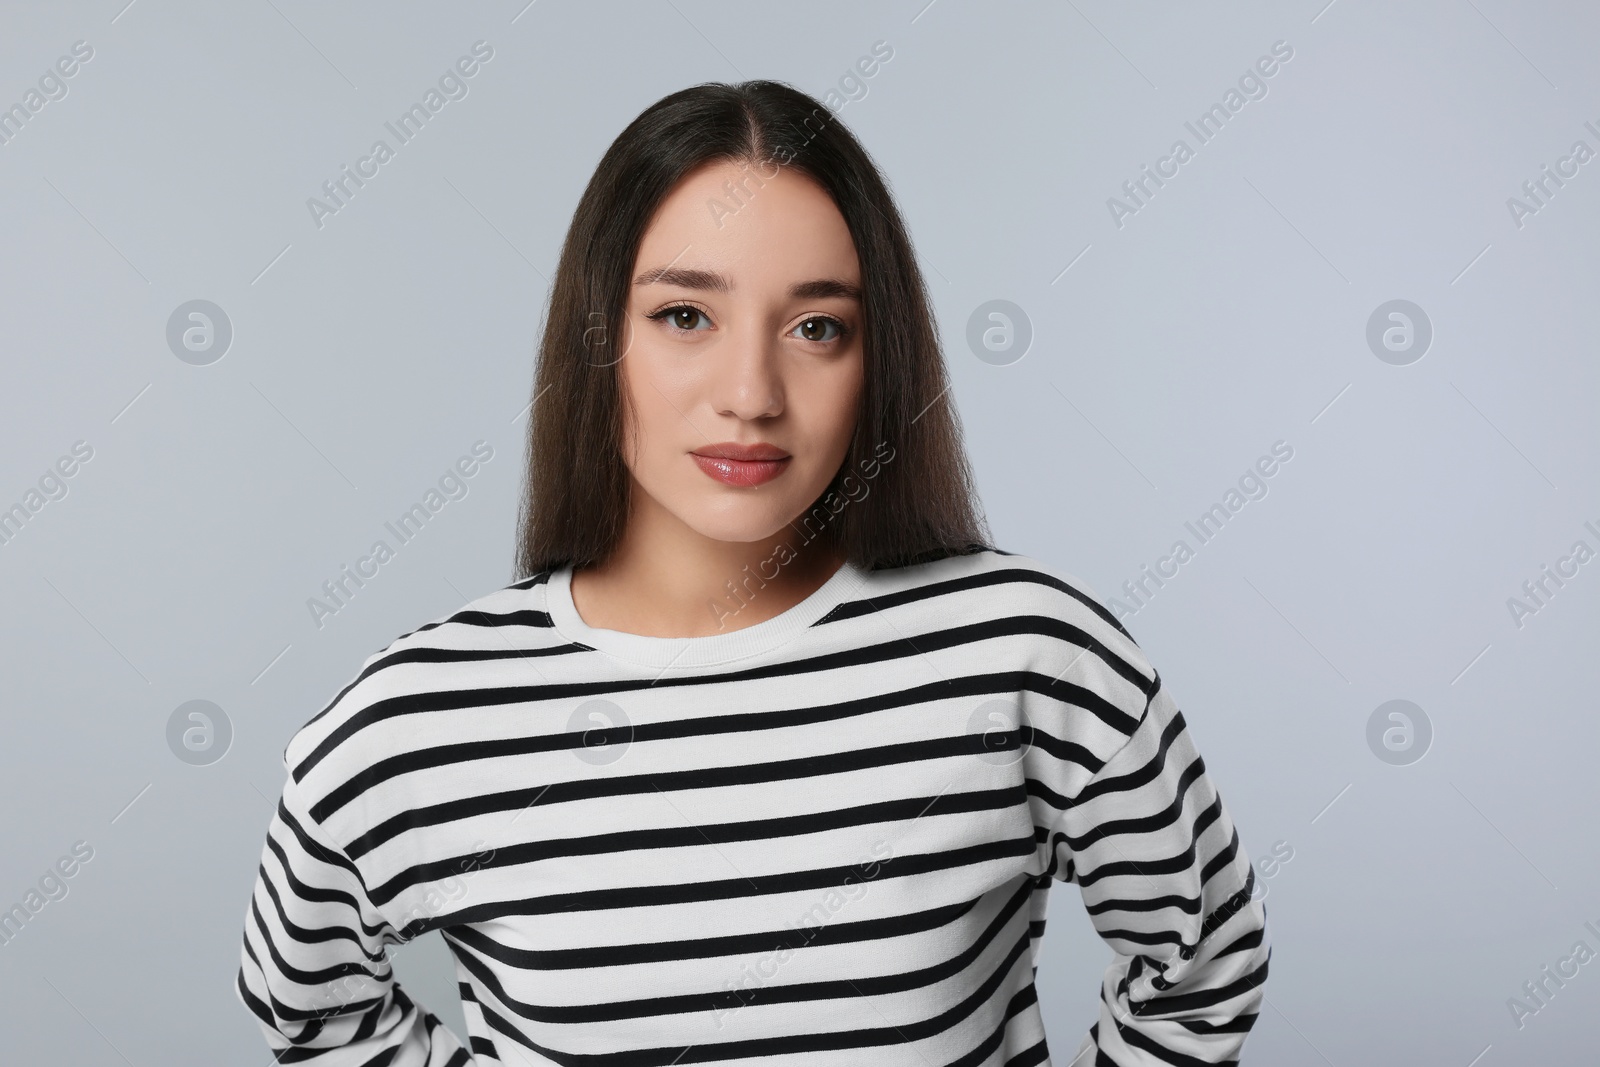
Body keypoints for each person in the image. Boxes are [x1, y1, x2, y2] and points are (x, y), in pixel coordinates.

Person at [234, 79, 1270, 1065]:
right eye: (686, 314)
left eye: (817, 327)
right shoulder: (415, 718)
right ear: (600, 339)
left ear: (880, 357)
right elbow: (309, 1007)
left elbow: (1205, 954)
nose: (750, 391)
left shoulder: (1024, 654)